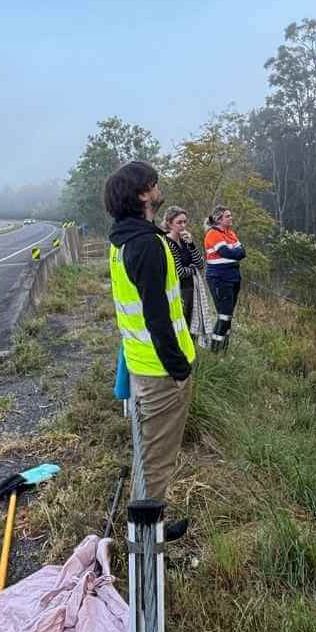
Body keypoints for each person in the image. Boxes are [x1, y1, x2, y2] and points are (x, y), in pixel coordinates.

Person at [105, 162, 196, 525]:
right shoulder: (146, 246)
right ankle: (147, 545)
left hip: (144, 365)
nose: (159, 187)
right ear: (143, 194)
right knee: (158, 460)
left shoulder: (125, 239)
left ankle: (146, 527)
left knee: (148, 454)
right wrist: (179, 370)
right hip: (161, 373)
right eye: (153, 183)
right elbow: (158, 318)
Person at [204, 205, 245, 352]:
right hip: (219, 278)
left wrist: (235, 251)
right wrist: (235, 251)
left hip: (234, 277)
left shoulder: (231, 233)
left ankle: (224, 349)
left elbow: (242, 252)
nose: (231, 218)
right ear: (219, 219)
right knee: (224, 315)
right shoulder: (213, 234)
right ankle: (215, 349)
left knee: (229, 315)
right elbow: (227, 252)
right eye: (228, 216)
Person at [161, 205, 205, 326]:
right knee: (181, 323)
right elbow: (179, 272)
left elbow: (200, 264)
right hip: (178, 290)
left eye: (185, 222)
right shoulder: (167, 243)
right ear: (169, 223)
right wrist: (193, 268)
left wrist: (191, 244)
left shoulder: (185, 240)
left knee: (192, 323)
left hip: (192, 287)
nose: (183, 225)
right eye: (179, 222)